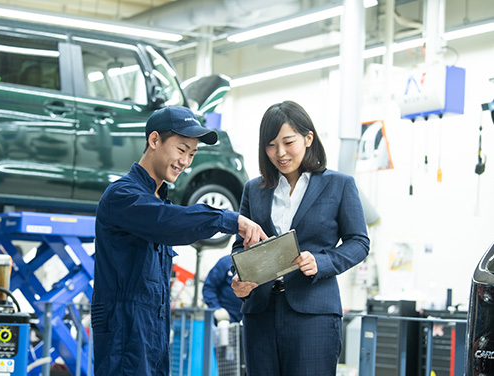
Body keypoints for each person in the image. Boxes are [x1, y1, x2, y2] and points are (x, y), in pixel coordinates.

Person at [91, 105, 268, 376]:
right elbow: (168, 222)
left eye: (192, 154)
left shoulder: (157, 200)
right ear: (154, 140)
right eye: (181, 150)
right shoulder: (123, 196)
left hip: (154, 334)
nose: (185, 162)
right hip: (124, 336)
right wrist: (232, 220)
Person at [231, 101, 370, 375]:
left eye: (288, 142)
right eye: (270, 145)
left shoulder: (339, 185)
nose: (279, 153)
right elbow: (240, 246)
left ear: (308, 138)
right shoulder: (254, 190)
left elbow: (359, 242)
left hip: (313, 313)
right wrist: (237, 277)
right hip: (260, 312)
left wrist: (322, 262)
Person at [203, 255, 243, 323]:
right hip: (225, 318)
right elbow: (209, 287)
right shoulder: (226, 262)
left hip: (250, 318)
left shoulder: (259, 264)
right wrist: (216, 308)